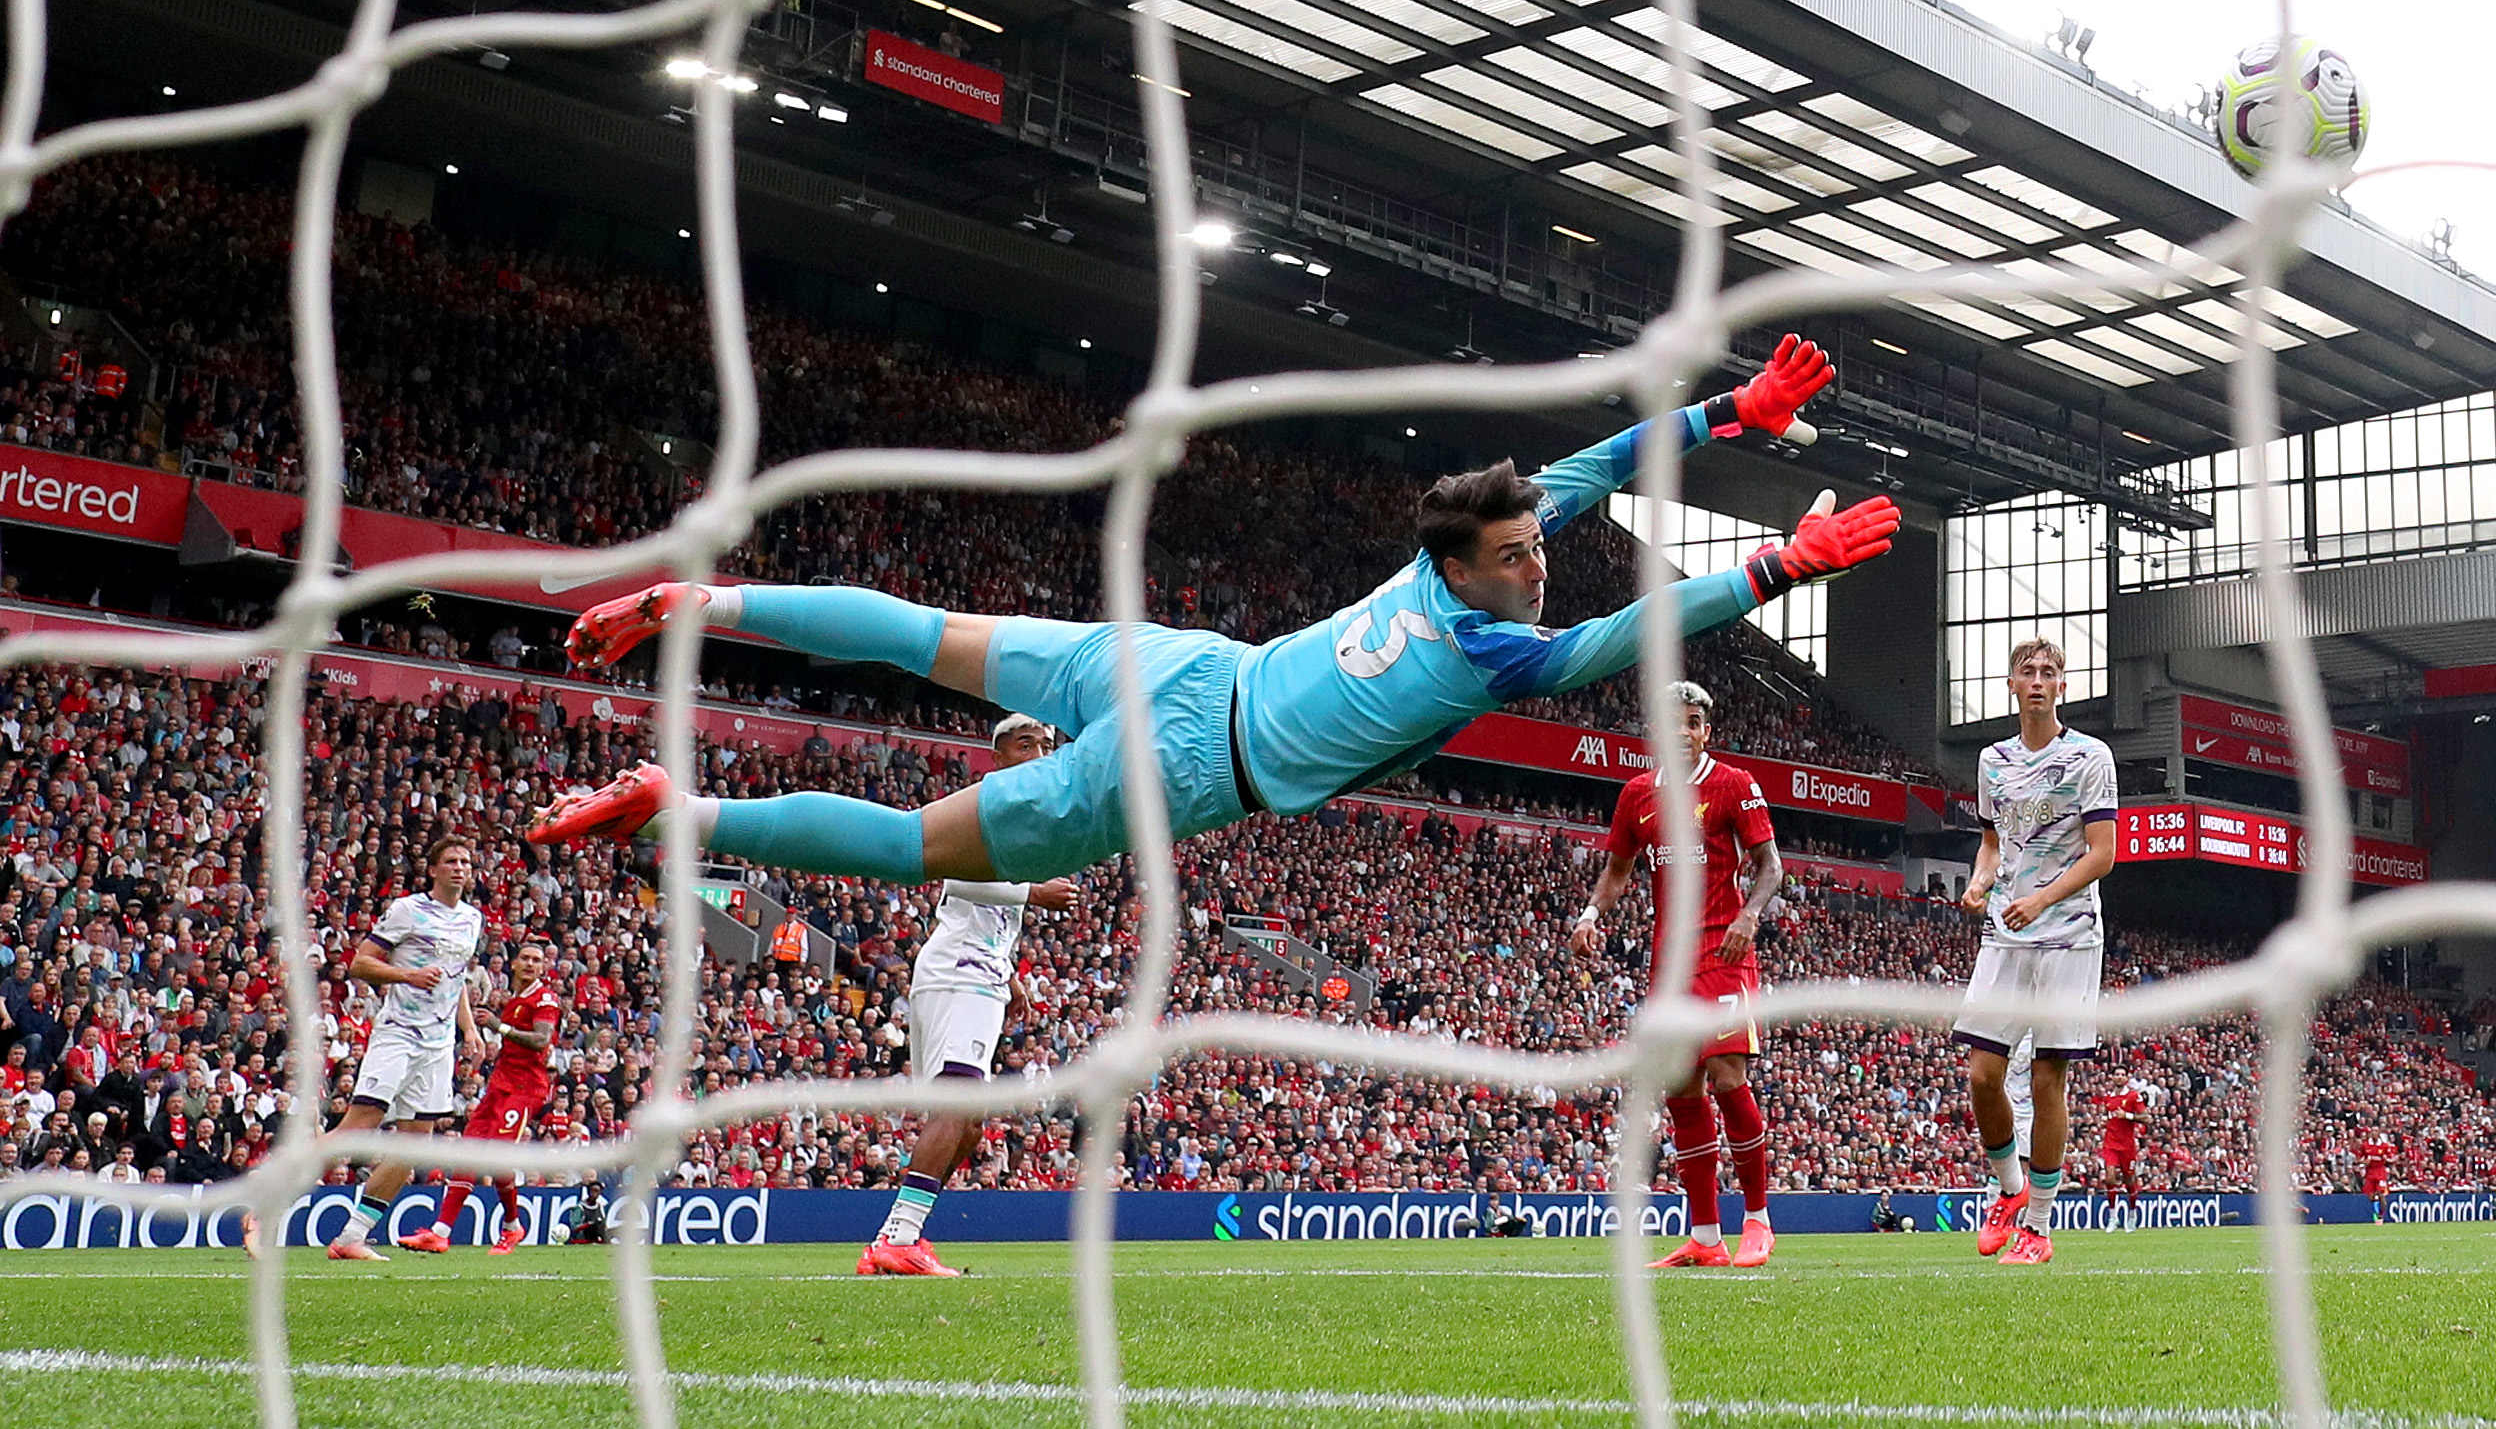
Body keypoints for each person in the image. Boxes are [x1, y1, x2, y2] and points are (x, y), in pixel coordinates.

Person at [528, 336, 1896, 889]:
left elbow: (1588, 473)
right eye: (1522, 552)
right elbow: (1628, 638)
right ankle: (682, 803)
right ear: (1470, 566)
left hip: (1190, 664)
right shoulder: (1498, 647)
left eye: (1537, 543)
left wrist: (1730, 414)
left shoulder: (1445, 560)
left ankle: (701, 597)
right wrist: (1775, 568)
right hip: (1190, 754)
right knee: (911, 844)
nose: (1543, 561)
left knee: (926, 630)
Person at [1570, 681, 1782, 1270]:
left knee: (1724, 1070)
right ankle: (1706, 1237)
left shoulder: (1733, 785)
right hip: (1668, 965)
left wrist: (1749, 914)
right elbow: (1617, 870)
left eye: (1694, 722)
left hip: (1723, 950)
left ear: (1705, 731)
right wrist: (1591, 914)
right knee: (1682, 1088)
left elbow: (1771, 866)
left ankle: (1759, 1221)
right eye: (1674, 723)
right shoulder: (1637, 795)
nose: (1683, 733)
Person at [860, 712, 1080, 1277]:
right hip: (960, 973)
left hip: (974, 970)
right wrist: (1034, 892)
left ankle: (895, 1236)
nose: (1036, 752)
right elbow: (952, 874)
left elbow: (980, 911)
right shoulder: (987, 802)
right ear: (998, 756)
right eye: (1023, 743)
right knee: (958, 1107)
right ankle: (900, 1238)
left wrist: (1008, 973)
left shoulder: (1027, 815)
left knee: (970, 1123)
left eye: (1044, 744)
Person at [1954, 639, 2116, 1268]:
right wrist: (1979, 881)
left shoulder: (2089, 757)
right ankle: (2011, 1191)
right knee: (1981, 1076)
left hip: (2069, 935)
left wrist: (2042, 898)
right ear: (2012, 685)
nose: (2040, 681)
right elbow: (1994, 846)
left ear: (2064, 687)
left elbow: (2102, 854)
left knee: (2049, 1079)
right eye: (2030, 672)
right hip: (2005, 934)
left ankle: (2039, 1229)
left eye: (2051, 673)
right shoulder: (1992, 761)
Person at [250, 835, 485, 1261]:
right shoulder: (408, 910)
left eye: (465, 861)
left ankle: (351, 1237)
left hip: (438, 1045)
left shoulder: (472, 919)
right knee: (359, 1127)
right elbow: (360, 963)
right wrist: (406, 976)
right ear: (433, 870)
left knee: (414, 1148)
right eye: (450, 860)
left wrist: (469, 1030)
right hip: (399, 1033)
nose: (459, 867)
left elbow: (457, 979)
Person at [410, 935, 563, 1255]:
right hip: (500, 1085)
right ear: (515, 963)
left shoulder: (545, 999)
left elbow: (540, 1040)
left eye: (538, 960)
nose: (531, 964)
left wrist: (498, 1027)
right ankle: (440, 1232)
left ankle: (511, 1226)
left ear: (544, 966)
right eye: (526, 958)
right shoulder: (514, 999)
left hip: (526, 1089)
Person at [2096, 1087, 2144, 1228]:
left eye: (2122, 1075)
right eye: (2117, 1074)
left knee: (2129, 1181)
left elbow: (2147, 1117)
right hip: (2110, 1143)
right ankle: (2112, 1217)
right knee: (2110, 1177)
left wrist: (2128, 1116)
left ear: (2126, 1078)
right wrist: (2104, 1121)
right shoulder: (2108, 1098)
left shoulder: (2133, 1096)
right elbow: (2108, 1116)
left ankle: (2132, 1215)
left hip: (2127, 1146)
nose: (2119, 1077)